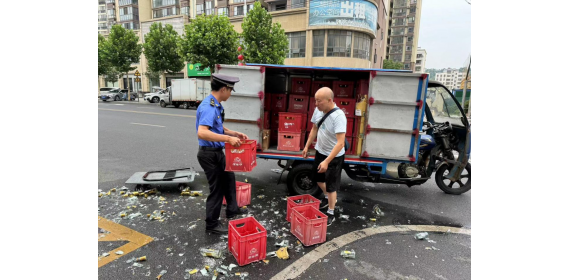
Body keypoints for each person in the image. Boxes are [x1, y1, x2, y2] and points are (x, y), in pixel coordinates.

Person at [196, 73, 249, 234]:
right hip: (209, 154)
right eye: (231, 90)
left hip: (217, 152)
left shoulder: (216, 105)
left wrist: (234, 134)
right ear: (224, 89)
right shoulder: (209, 107)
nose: (231, 93)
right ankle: (211, 224)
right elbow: (202, 132)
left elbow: (217, 127)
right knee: (217, 188)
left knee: (229, 178)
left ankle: (232, 210)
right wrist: (227, 139)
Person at [302, 87, 347, 226]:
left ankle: (331, 212)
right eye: (315, 100)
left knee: (331, 185)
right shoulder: (318, 110)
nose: (316, 104)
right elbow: (314, 128)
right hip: (320, 151)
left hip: (334, 156)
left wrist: (327, 161)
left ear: (329, 100)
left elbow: (340, 143)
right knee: (318, 178)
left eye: (319, 101)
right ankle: (328, 197)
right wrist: (307, 146)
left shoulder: (339, 116)